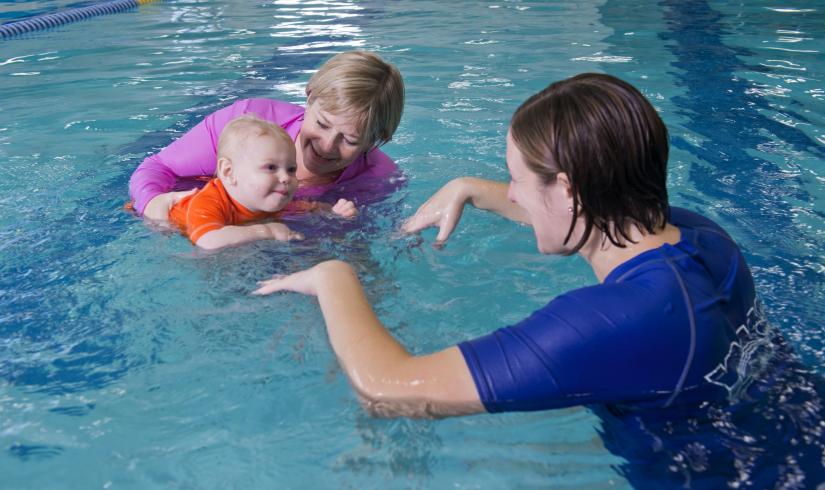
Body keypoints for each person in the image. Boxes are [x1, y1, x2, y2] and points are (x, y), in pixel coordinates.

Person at [252, 73, 758, 420]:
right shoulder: (702, 237)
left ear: (569, 190)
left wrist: (333, 276)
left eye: (515, 179)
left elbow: (389, 391)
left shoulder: (617, 321)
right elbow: (587, 217)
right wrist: (470, 188)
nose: (511, 192)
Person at [129, 50, 404, 221]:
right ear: (309, 97)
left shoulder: (380, 181)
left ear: (376, 139)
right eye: (321, 124)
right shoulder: (248, 125)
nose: (327, 145)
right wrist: (152, 202)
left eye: (350, 140)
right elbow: (157, 167)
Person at [167, 115, 357, 250]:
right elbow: (207, 241)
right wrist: (266, 231)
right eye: (271, 168)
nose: (285, 178)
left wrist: (334, 212)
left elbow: (310, 208)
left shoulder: (272, 200)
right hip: (160, 225)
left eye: (291, 169)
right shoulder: (209, 201)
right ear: (228, 172)